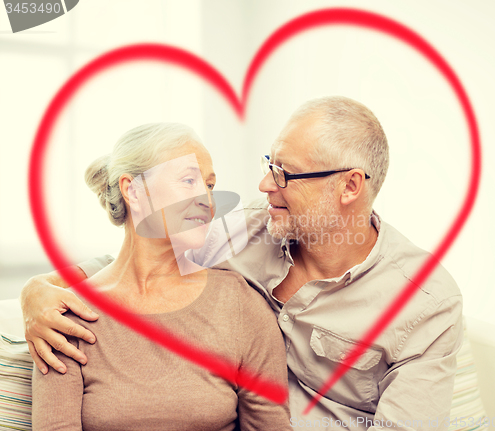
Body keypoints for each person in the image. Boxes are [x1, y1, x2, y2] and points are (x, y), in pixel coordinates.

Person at [22, 97, 462, 430]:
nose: (264, 184)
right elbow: (148, 257)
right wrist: (39, 290)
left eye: (285, 173)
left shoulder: (425, 303)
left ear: (349, 186)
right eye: (270, 163)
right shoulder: (257, 227)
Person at [29, 123, 291, 430]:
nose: (208, 201)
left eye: (209, 185)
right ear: (133, 191)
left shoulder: (240, 305)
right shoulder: (65, 316)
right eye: (189, 180)